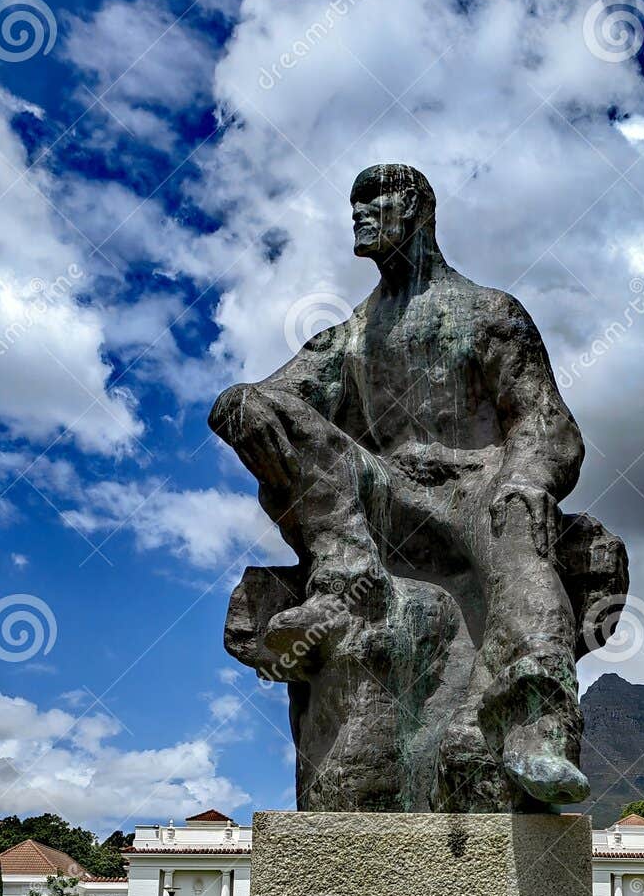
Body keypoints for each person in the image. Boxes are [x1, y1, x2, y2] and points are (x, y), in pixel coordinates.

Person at [210, 164, 590, 807]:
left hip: (477, 490)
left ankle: (531, 720)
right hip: (383, 496)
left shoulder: (489, 313)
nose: (358, 214)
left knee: (521, 530)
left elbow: (547, 422)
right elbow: (269, 401)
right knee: (250, 403)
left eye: (375, 200)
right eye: (353, 202)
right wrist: (245, 411)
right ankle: (341, 585)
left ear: (417, 209)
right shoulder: (350, 334)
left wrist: (523, 479)